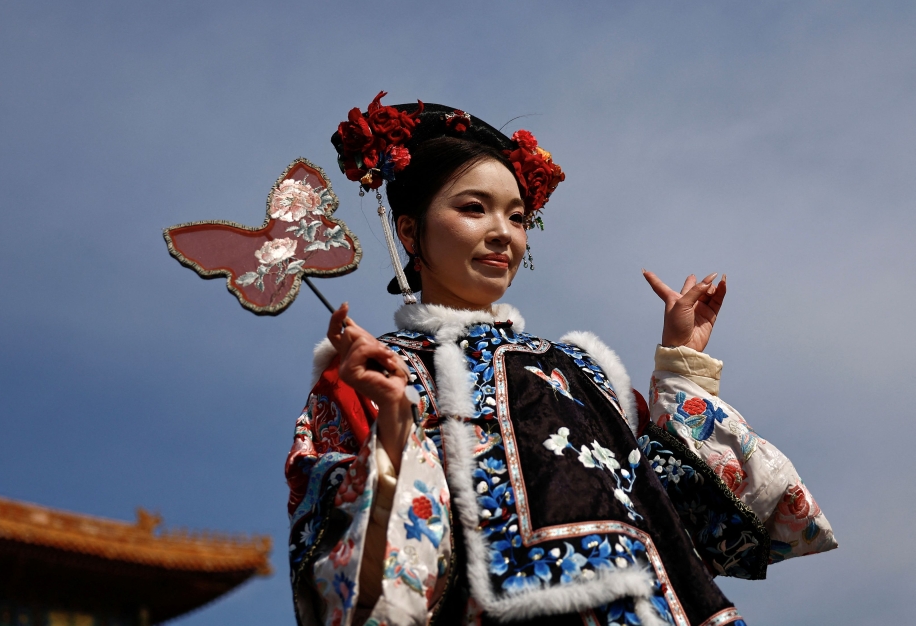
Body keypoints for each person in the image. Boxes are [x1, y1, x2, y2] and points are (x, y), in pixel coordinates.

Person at [285, 95, 836, 626]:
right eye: (474, 209)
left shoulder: (581, 369)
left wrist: (682, 363)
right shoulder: (377, 370)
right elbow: (336, 530)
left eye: (517, 217)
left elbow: (690, 515)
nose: (503, 233)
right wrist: (394, 424)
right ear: (409, 230)